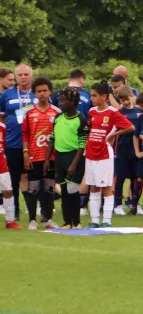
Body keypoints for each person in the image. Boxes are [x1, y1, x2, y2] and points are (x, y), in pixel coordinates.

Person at [85, 82, 135, 228]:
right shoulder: (92, 111)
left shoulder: (113, 112)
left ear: (104, 96)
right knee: (93, 187)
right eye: (91, 95)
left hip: (104, 153)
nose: (91, 98)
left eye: (94, 95)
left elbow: (130, 127)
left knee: (106, 187)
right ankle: (94, 220)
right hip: (90, 152)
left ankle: (107, 220)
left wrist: (113, 134)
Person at [45, 87, 88, 229]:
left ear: (72, 102)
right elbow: (52, 137)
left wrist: (74, 164)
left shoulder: (81, 120)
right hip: (60, 157)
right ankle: (67, 222)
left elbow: (82, 145)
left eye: (63, 101)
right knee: (63, 191)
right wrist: (47, 160)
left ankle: (76, 222)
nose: (60, 103)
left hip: (74, 157)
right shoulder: (58, 118)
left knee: (72, 190)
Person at [21, 77, 60, 229]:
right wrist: (25, 153)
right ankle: (32, 220)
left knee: (49, 188)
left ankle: (49, 219)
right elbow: (25, 134)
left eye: (45, 90)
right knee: (33, 188)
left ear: (50, 91)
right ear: (34, 93)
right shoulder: (28, 112)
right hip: (33, 156)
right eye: (39, 91)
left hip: (50, 157)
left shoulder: (57, 112)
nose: (42, 94)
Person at [0, 64, 37, 221]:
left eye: (26, 74)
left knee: (34, 179)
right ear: (15, 76)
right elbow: (1, 117)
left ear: (31, 76)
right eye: (20, 74)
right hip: (12, 143)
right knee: (13, 179)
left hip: (34, 144)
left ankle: (35, 212)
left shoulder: (38, 93)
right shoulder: (7, 94)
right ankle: (14, 211)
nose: (23, 77)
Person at [111, 86, 141, 216]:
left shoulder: (140, 111)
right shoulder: (118, 113)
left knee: (136, 177)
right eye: (122, 100)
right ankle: (117, 204)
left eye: (127, 99)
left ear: (132, 96)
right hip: (121, 148)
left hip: (136, 149)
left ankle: (134, 203)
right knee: (120, 177)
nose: (125, 102)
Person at [0, 119, 15, 229]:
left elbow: (3, 145)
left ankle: (10, 222)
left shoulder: (2, 127)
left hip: (2, 164)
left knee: (8, 191)